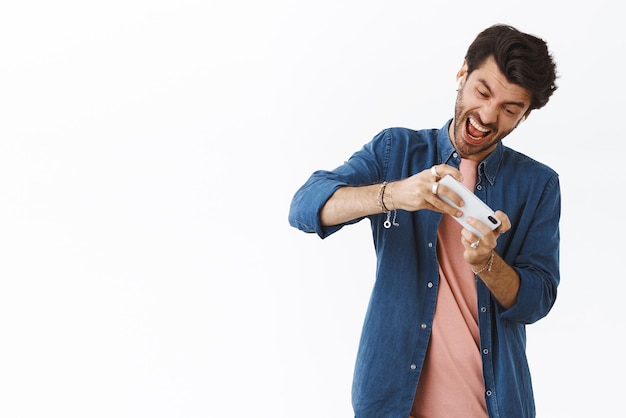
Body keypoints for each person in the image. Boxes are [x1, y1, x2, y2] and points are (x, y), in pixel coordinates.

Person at [288, 24, 560, 418]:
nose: (486, 116)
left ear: (525, 115)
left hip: (493, 406)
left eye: (509, 108)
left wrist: (487, 263)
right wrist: (395, 193)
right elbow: (304, 207)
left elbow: (537, 300)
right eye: (483, 92)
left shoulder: (539, 185)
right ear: (462, 73)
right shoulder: (395, 151)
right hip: (391, 404)